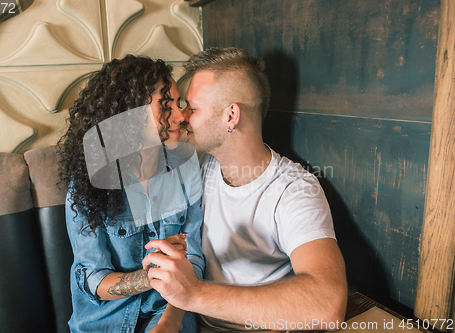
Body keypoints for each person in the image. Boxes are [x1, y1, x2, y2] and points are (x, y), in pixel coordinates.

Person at [142, 47, 348, 332]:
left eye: (194, 107)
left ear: (231, 116)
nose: (183, 115)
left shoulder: (294, 190)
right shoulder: (198, 166)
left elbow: (328, 305)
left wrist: (196, 294)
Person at [58, 55, 205, 333]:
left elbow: (194, 260)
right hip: (103, 322)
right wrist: (153, 276)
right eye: (165, 105)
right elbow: (92, 279)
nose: (181, 116)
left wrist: (170, 323)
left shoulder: (186, 167)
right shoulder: (89, 181)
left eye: (179, 104)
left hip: (168, 312)